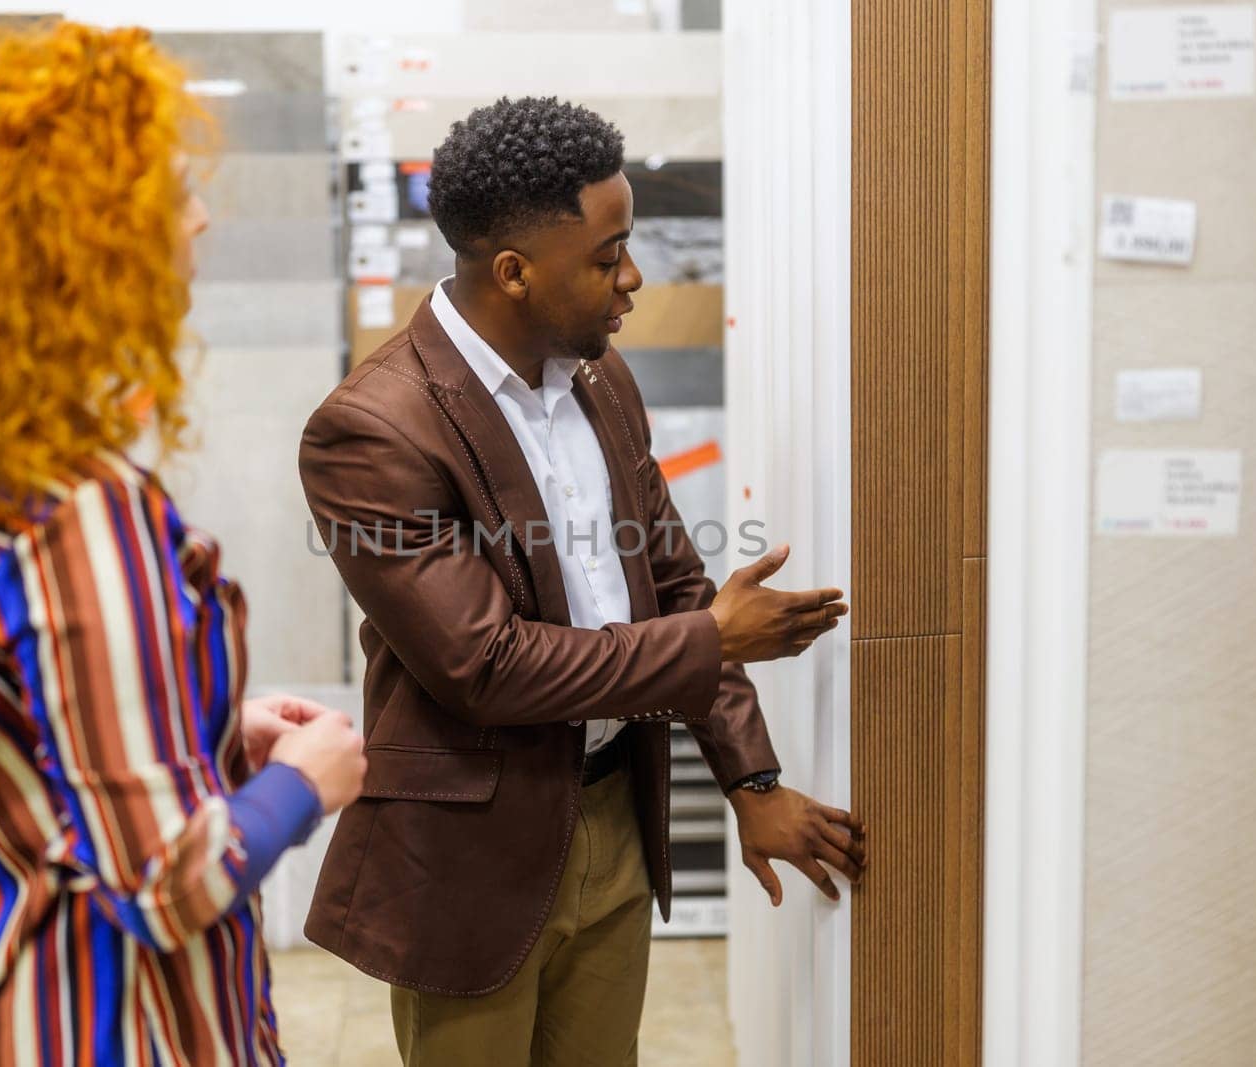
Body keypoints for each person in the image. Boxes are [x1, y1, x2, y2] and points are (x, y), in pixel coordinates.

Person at [0, 24, 365, 1065]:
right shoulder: (82, 512)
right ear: (79, 240)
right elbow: (170, 880)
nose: (202, 216)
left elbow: (18, 771)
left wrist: (214, 730)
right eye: (171, 195)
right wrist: (309, 777)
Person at [297, 96, 867, 1065]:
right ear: (513, 273)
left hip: (613, 819)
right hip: (472, 853)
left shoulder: (602, 381)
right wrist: (714, 641)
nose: (633, 276)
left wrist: (751, 776)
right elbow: (487, 663)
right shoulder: (373, 428)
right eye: (607, 256)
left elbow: (678, 582)